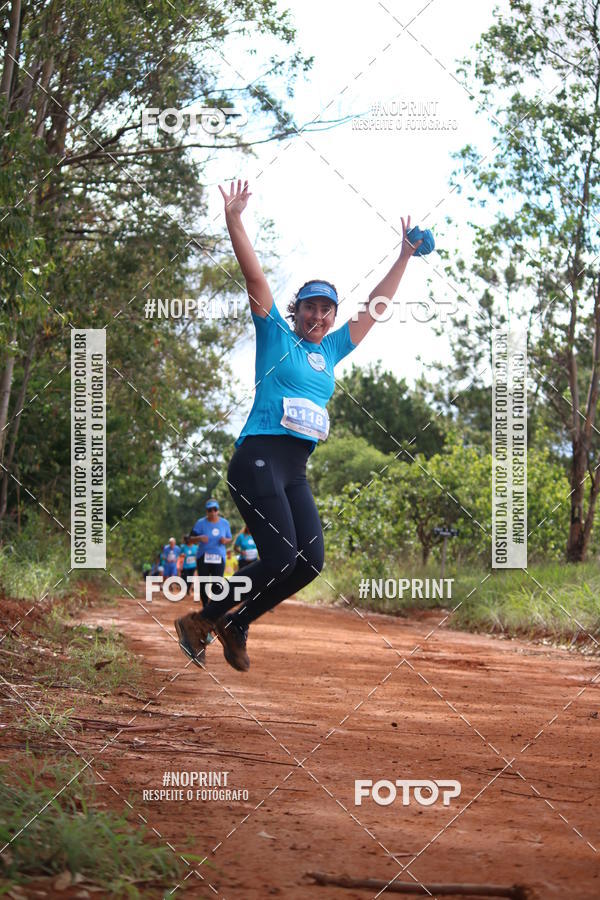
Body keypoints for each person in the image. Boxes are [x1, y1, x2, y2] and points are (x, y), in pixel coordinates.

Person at [174, 179, 423, 673]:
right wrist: (234, 219)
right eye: (310, 305)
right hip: (258, 458)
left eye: (326, 308)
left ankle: (234, 623)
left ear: (331, 317)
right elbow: (254, 278)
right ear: (297, 310)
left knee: (308, 562)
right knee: (281, 555)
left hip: (293, 470)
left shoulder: (330, 351)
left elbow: (375, 308)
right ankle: (205, 617)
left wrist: (404, 256)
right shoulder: (274, 333)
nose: (318, 314)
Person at [186, 500, 232, 608]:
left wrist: (225, 540)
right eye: (210, 510)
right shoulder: (200, 523)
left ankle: (214, 607)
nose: (213, 512)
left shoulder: (225, 523)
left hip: (219, 557)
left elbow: (229, 538)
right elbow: (189, 539)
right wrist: (199, 538)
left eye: (215, 509)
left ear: (218, 510)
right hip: (203, 557)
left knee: (217, 583)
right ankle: (205, 606)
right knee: (204, 583)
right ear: (206, 511)